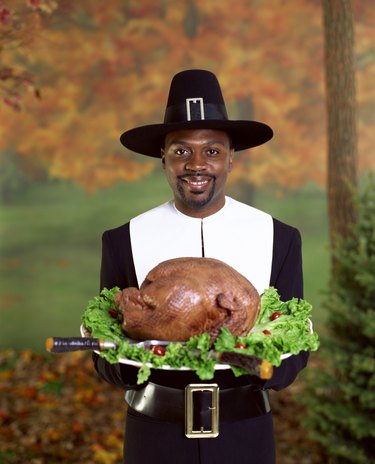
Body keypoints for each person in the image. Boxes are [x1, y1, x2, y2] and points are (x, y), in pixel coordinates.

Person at [94, 69, 309, 464]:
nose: (196, 164)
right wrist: (128, 356)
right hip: (155, 434)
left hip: (244, 435)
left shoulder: (280, 237)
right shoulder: (123, 239)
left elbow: (294, 347)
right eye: (180, 150)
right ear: (163, 156)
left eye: (211, 150)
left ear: (232, 157)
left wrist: (264, 364)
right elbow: (105, 354)